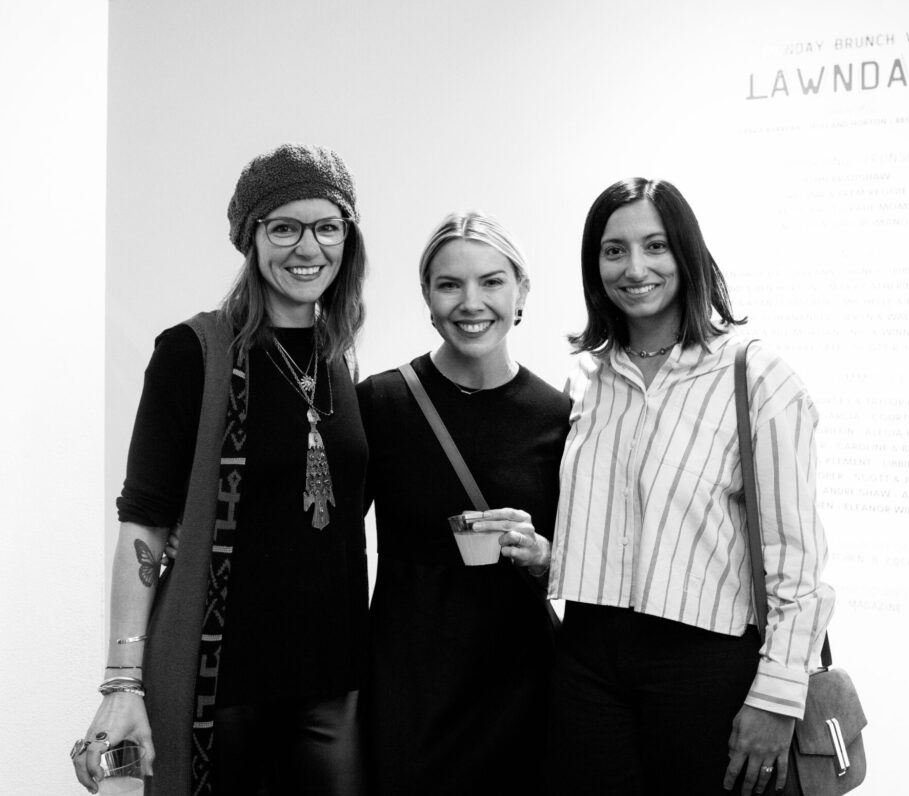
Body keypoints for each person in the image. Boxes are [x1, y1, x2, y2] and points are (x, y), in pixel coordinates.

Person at [71, 144, 370, 796]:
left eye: (326, 226)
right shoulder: (192, 354)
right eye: (283, 227)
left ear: (347, 235)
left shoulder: (340, 364)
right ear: (251, 239)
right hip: (225, 694)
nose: (308, 247)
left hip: (334, 691)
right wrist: (122, 682)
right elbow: (144, 522)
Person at [547, 178, 835, 796]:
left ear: (687, 254)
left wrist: (778, 695)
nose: (635, 268)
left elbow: (796, 557)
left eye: (656, 246)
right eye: (614, 250)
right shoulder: (584, 379)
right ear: (594, 266)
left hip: (703, 663)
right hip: (587, 657)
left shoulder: (757, 376)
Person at [356, 212, 570, 795]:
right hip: (410, 682)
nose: (471, 301)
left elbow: (581, 565)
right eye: (450, 284)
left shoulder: (559, 417)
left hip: (521, 680)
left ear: (521, 291)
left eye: (492, 281)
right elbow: (328, 538)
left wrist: (542, 551)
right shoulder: (382, 401)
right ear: (427, 296)